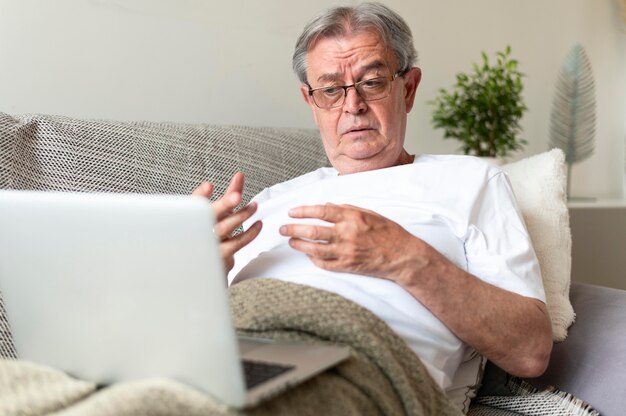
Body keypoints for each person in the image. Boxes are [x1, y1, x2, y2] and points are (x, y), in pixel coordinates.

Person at [193, 2, 552, 411]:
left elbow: (530, 350)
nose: (353, 105)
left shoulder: (471, 182)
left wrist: (402, 256)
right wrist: (203, 278)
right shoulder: (271, 200)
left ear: (409, 88)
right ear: (311, 101)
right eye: (331, 89)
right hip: (233, 353)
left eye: (373, 82)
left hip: (361, 368)